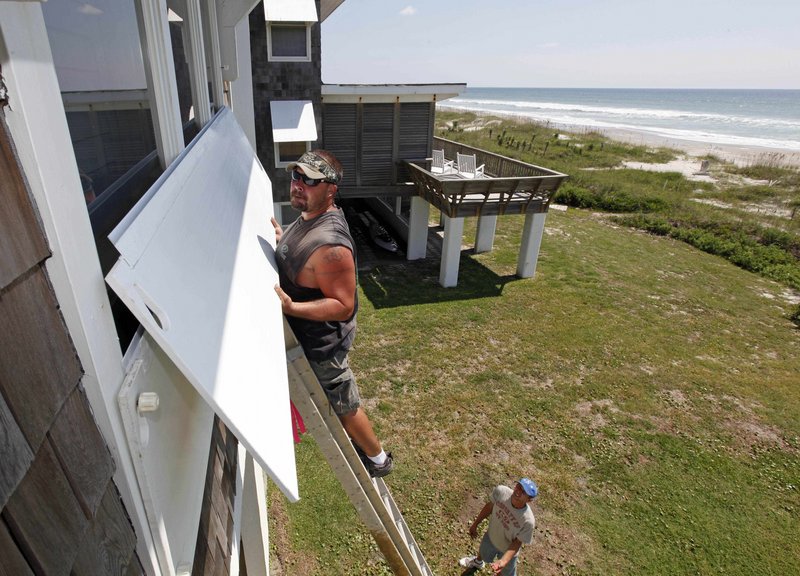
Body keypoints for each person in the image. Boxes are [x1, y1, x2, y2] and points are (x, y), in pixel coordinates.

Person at [272, 149, 393, 478]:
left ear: (330, 190)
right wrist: (284, 241)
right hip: (307, 337)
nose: (299, 185)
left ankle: (379, 460)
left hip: (322, 346)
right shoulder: (308, 216)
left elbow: (343, 306)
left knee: (344, 404)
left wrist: (292, 307)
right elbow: (302, 258)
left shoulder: (331, 247)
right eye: (297, 175)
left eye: (310, 180)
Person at [459, 478, 538, 575]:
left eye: (523, 492)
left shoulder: (528, 521)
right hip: (491, 536)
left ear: (529, 500)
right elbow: (489, 507)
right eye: (519, 486)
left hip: (508, 551)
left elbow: (517, 543)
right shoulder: (501, 492)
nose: (518, 491)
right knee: (483, 552)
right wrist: (475, 524)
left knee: (505, 573)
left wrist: (504, 561)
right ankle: (478, 562)